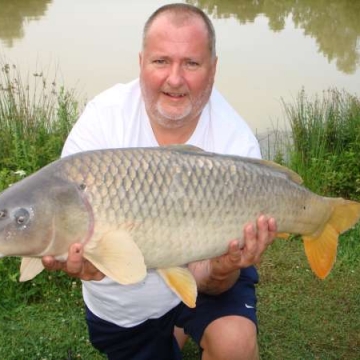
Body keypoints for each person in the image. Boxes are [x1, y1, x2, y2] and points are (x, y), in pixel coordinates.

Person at [43, 4, 277, 360]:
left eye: (192, 63)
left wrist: (222, 267)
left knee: (234, 345)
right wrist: (91, 264)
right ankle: (175, 330)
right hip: (125, 308)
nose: (175, 78)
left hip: (204, 274)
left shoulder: (235, 142)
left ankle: (188, 323)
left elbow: (209, 277)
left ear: (213, 69)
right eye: (161, 61)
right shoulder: (101, 122)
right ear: (141, 63)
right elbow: (71, 233)